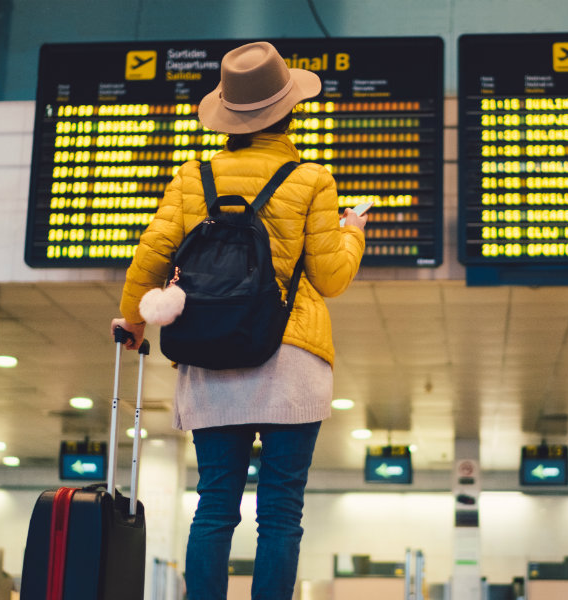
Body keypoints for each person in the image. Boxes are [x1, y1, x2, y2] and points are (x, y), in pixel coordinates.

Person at [110, 41, 367, 600]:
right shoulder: (311, 179)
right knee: (280, 511)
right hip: (290, 356)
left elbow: (151, 255)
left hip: (210, 351)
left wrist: (134, 320)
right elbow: (330, 278)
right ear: (289, 109)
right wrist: (352, 231)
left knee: (215, 502)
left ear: (227, 116)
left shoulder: (191, 177)